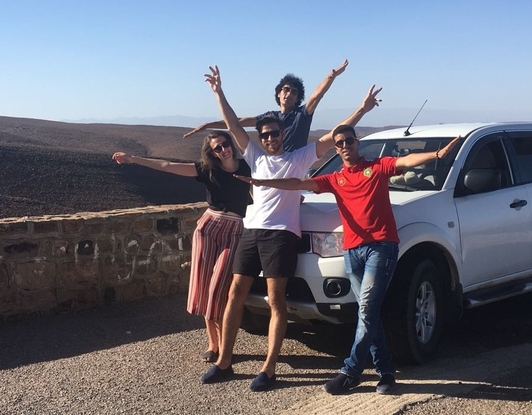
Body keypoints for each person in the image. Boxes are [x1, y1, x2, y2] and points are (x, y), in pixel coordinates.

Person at [238, 125, 461, 395]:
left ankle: (350, 371)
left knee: (366, 308)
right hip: (351, 250)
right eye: (340, 142)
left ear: (357, 143)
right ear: (336, 148)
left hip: (381, 246)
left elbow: (406, 161)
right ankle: (386, 373)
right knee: (368, 311)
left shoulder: (377, 167)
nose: (345, 145)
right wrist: (264, 183)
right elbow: (299, 184)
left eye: (349, 141)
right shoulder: (335, 179)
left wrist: (436, 154)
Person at [200, 65, 382, 392]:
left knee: (275, 300)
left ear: (283, 134)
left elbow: (334, 136)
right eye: (265, 134)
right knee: (235, 294)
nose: (269, 138)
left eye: (274, 133)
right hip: (252, 231)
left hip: (281, 234)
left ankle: (269, 369)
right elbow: (230, 123)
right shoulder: (254, 155)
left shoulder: (299, 157)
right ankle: (224, 362)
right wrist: (218, 92)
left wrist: (361, 110)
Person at [111, 130, 251, 363]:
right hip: (208, 227)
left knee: (219, 289)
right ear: (212, 152)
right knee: (204, 285)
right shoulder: (208, 169)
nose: (223, 149)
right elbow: (167, 165)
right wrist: (133, 158)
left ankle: (226, 347)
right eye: (217, 148)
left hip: (234, 230)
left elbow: (263, 184)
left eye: (226, 144)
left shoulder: (246, 167)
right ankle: (213, 343)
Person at [183, 60, 349, 151]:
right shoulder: (270, 118)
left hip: (296, 166)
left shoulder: (301, 115)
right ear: (278, 93)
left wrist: (330, 77)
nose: (289, 93)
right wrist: (207, 125)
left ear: (298, 97)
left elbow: (316, 96)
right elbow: (237, 122)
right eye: (286, 89)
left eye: (294, 92)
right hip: (274, 165)